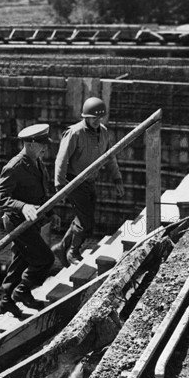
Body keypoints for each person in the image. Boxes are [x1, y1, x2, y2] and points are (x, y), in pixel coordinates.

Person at [0, 123, 59, 320]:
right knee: (44, 259)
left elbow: (40, 194)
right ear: (29, 144)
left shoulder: (37, 162)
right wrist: (22, 206)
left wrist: (51, 213)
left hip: (32, 221)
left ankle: (6, 301)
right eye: (41, 144)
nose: (45, 148)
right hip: (17, 222)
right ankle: (22, 291)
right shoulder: (15, 166)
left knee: (20, 261)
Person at [54, 97, 125, 265]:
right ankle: (73, 252)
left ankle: (61, 248)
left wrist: (117, 179)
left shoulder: (104, 132)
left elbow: (110, 157)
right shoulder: (74, 133)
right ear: (85, 116)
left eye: (99, 118)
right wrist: (60, 186)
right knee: (86, 220)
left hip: (90, 181)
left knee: (83, 217)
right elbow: (61, 160)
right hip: (74, 182)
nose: (97, 121)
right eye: (93, 118)